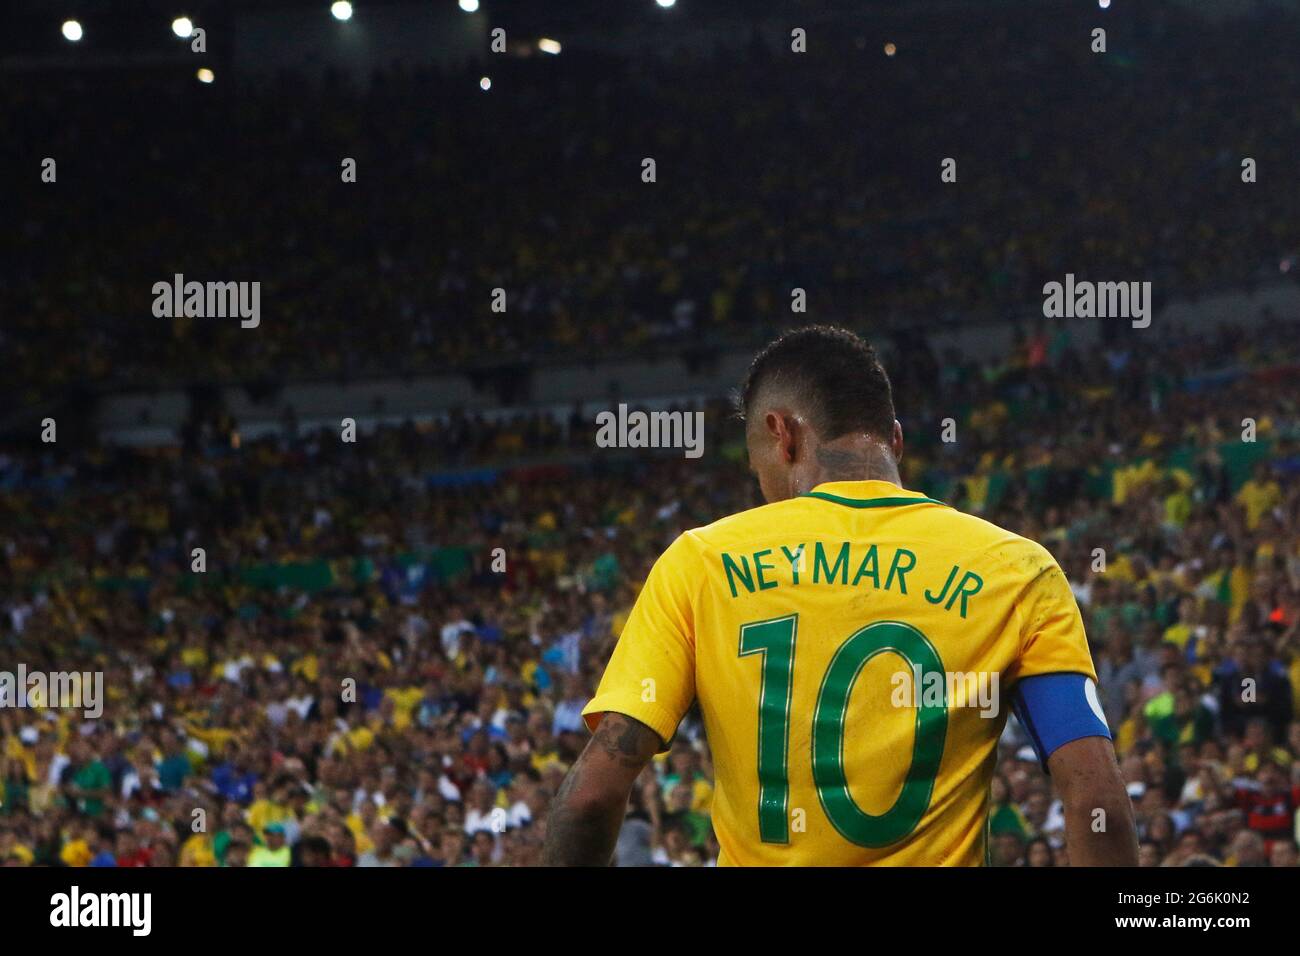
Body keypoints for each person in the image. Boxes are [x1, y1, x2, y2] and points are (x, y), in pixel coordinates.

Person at [542, 326, 1138, 866]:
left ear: (781, 433)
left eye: (757, 467)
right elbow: (1095, 799)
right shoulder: (1018, 570)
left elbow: (594, 797)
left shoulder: (700, 562)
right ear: (895, 441)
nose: (763, 488)